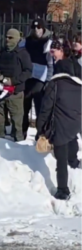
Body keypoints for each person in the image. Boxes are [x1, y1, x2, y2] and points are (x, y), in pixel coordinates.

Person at [35, 44, 81, 201]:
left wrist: (40, 129)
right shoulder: (79, 85)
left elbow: (45, 109)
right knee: (72, 137)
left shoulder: (54, 84)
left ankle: (63, 190)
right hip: (75, 122)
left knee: (60, 158)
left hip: (59, 125)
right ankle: (73, 161)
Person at [0, 28, 33, 141]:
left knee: (17, 119)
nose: (7, 39)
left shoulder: (22, 54)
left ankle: (18, 141)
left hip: (15, 92)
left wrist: (13, 81)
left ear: (16, 39)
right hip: (1, 89)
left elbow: (28, 71)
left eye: (10, 38)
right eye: (6, 37)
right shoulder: (1, 52)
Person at [22, 18, 54, 141]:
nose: (36, 30)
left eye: (39, 27)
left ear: (43, 28)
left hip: (40, 79)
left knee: (40, 109)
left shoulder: (48, 42)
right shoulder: (27, 41)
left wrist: (48, 81)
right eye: (34, 27)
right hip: (27, 78)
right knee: (24, 107)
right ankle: (22, 132)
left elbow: (50, 63)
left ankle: (40, 134)